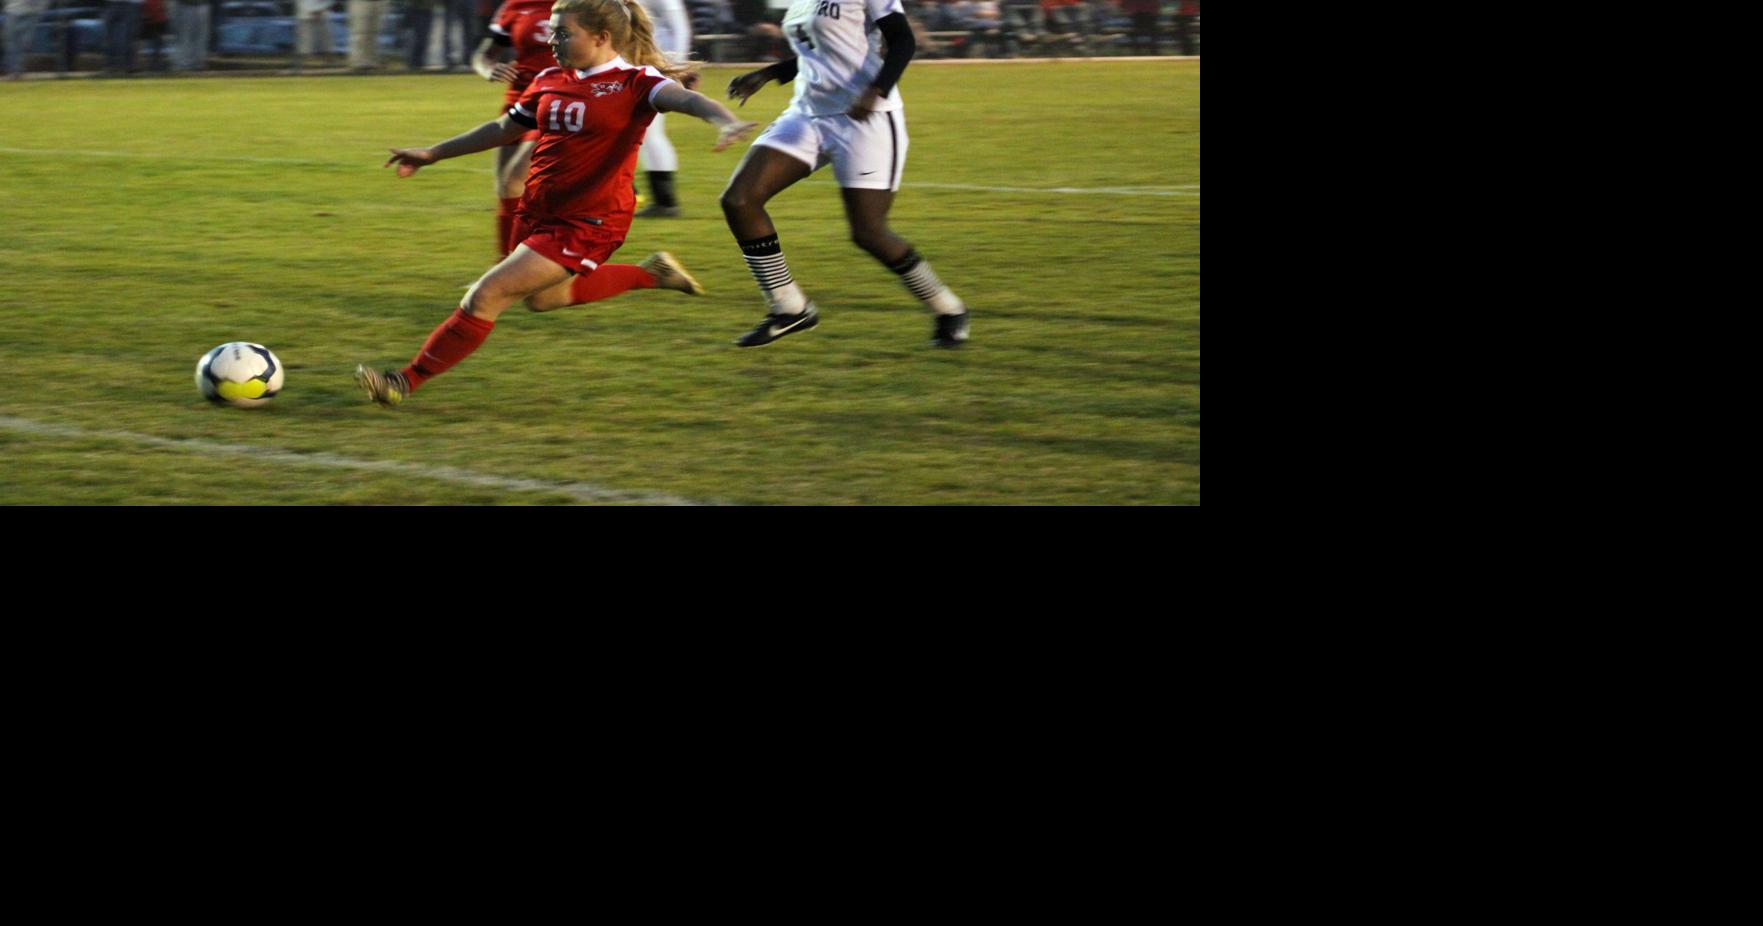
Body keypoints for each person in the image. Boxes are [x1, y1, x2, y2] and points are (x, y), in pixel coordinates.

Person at [355, 0, 758, 406]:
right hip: (538, 210)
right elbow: (502, 128)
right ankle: (652, 275)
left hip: (589, 221)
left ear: (602, 38)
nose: (552, 40)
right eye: (552, 31)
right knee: (546, 299)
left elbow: (689, 101)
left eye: (563, 33)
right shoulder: (551, 77)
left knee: (486, 295)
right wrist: (433, 153)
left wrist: (724, 121)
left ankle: (402, 382)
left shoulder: (636, 82)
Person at [719, 0, 969, 348]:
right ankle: (789, 308)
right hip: (808, 114)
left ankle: (948, 307)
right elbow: (819, 53)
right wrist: (769, 73)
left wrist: (876, 90)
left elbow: (902, 41)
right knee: (740, 200)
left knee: (868, 232)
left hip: (864, 117)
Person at [471, 0, 554, 255]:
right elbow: (484, 54)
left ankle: (518, 268)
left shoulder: (583, 4)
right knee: (505, 188)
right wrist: (488, 69)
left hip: (557, 99)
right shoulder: (515, 4)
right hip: (518, 99)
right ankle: (505, 266)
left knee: (514, 179)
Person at [633, 0, 691, 217]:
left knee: (650, 132)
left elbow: (678, 26)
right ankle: (661, 201)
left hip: (653, 65)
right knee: (647, 133)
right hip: (636, 64)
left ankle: (663, 201)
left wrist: (675, 67)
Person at [4, 0, 48, 79]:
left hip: (32, 12)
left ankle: (17, 71)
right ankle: (15, 72)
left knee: (25, 42)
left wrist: (40, 9)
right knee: (12, 43)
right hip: (12, 10)